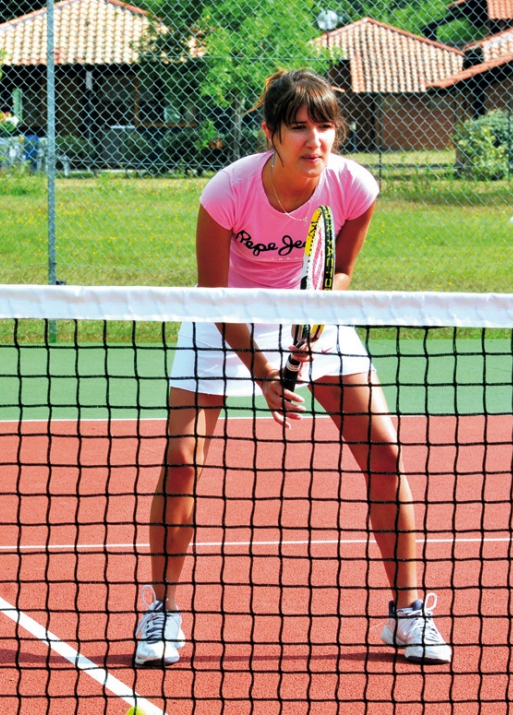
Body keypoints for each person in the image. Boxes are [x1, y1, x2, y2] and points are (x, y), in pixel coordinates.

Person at [133, 69, 452, 667]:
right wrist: (263, 374)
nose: (315, 139)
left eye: (325, 125)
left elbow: (339, 277)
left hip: (310, 313)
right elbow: (214, 297)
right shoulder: (227, 191)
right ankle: (162, 613)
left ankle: (409, 615)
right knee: (180, 460)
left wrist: (307, 338)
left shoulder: (355, 187)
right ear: (271, 134)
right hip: (222, 317)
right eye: (299, 127)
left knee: (384, 452)